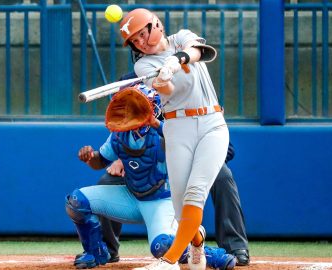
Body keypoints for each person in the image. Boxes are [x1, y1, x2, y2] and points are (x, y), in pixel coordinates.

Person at [65, 84, 236, 269]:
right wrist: (90, 157)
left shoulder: (167, 131)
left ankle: (205, 251)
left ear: (153, 107)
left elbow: (187, 144)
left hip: (161, 201)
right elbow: (101, 161)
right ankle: (95, 252)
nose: (132, 110)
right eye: (129, 106)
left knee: (161, 247)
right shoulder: (119, 134)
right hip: (131, 197)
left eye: (138, 105)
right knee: (76, 202)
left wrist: (157, 124)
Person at [119, 8, 231, 270]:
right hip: (177, 127)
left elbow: (199, 51)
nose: (140, 43)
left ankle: (168, 261)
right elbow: (169, 90)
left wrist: (175, 61)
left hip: (211, 124)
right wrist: (162, 80)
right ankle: (197, 240)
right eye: (134, 41)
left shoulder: (181, 37)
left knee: (195, 192)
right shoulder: (143, 65)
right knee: (181, 209)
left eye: (141, 35)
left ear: (155, 24)